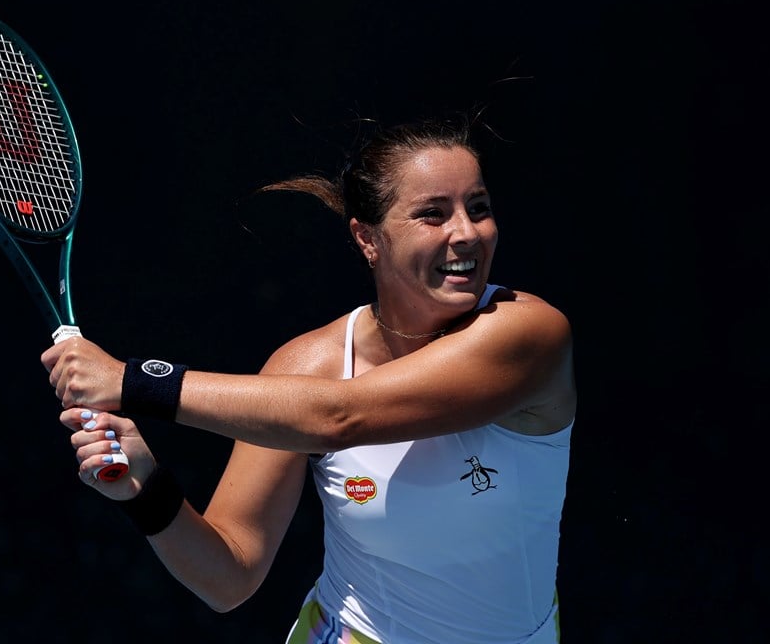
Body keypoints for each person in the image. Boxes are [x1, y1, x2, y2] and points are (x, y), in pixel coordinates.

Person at [41, 113, 577, 644]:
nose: (466, 233)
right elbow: (229, 577)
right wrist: (146, 487)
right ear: (368, 239)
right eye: (433, 214)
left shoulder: (528, 333)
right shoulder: (307, 368)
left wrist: (132, 381)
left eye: (478, 208)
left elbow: (341, 416)